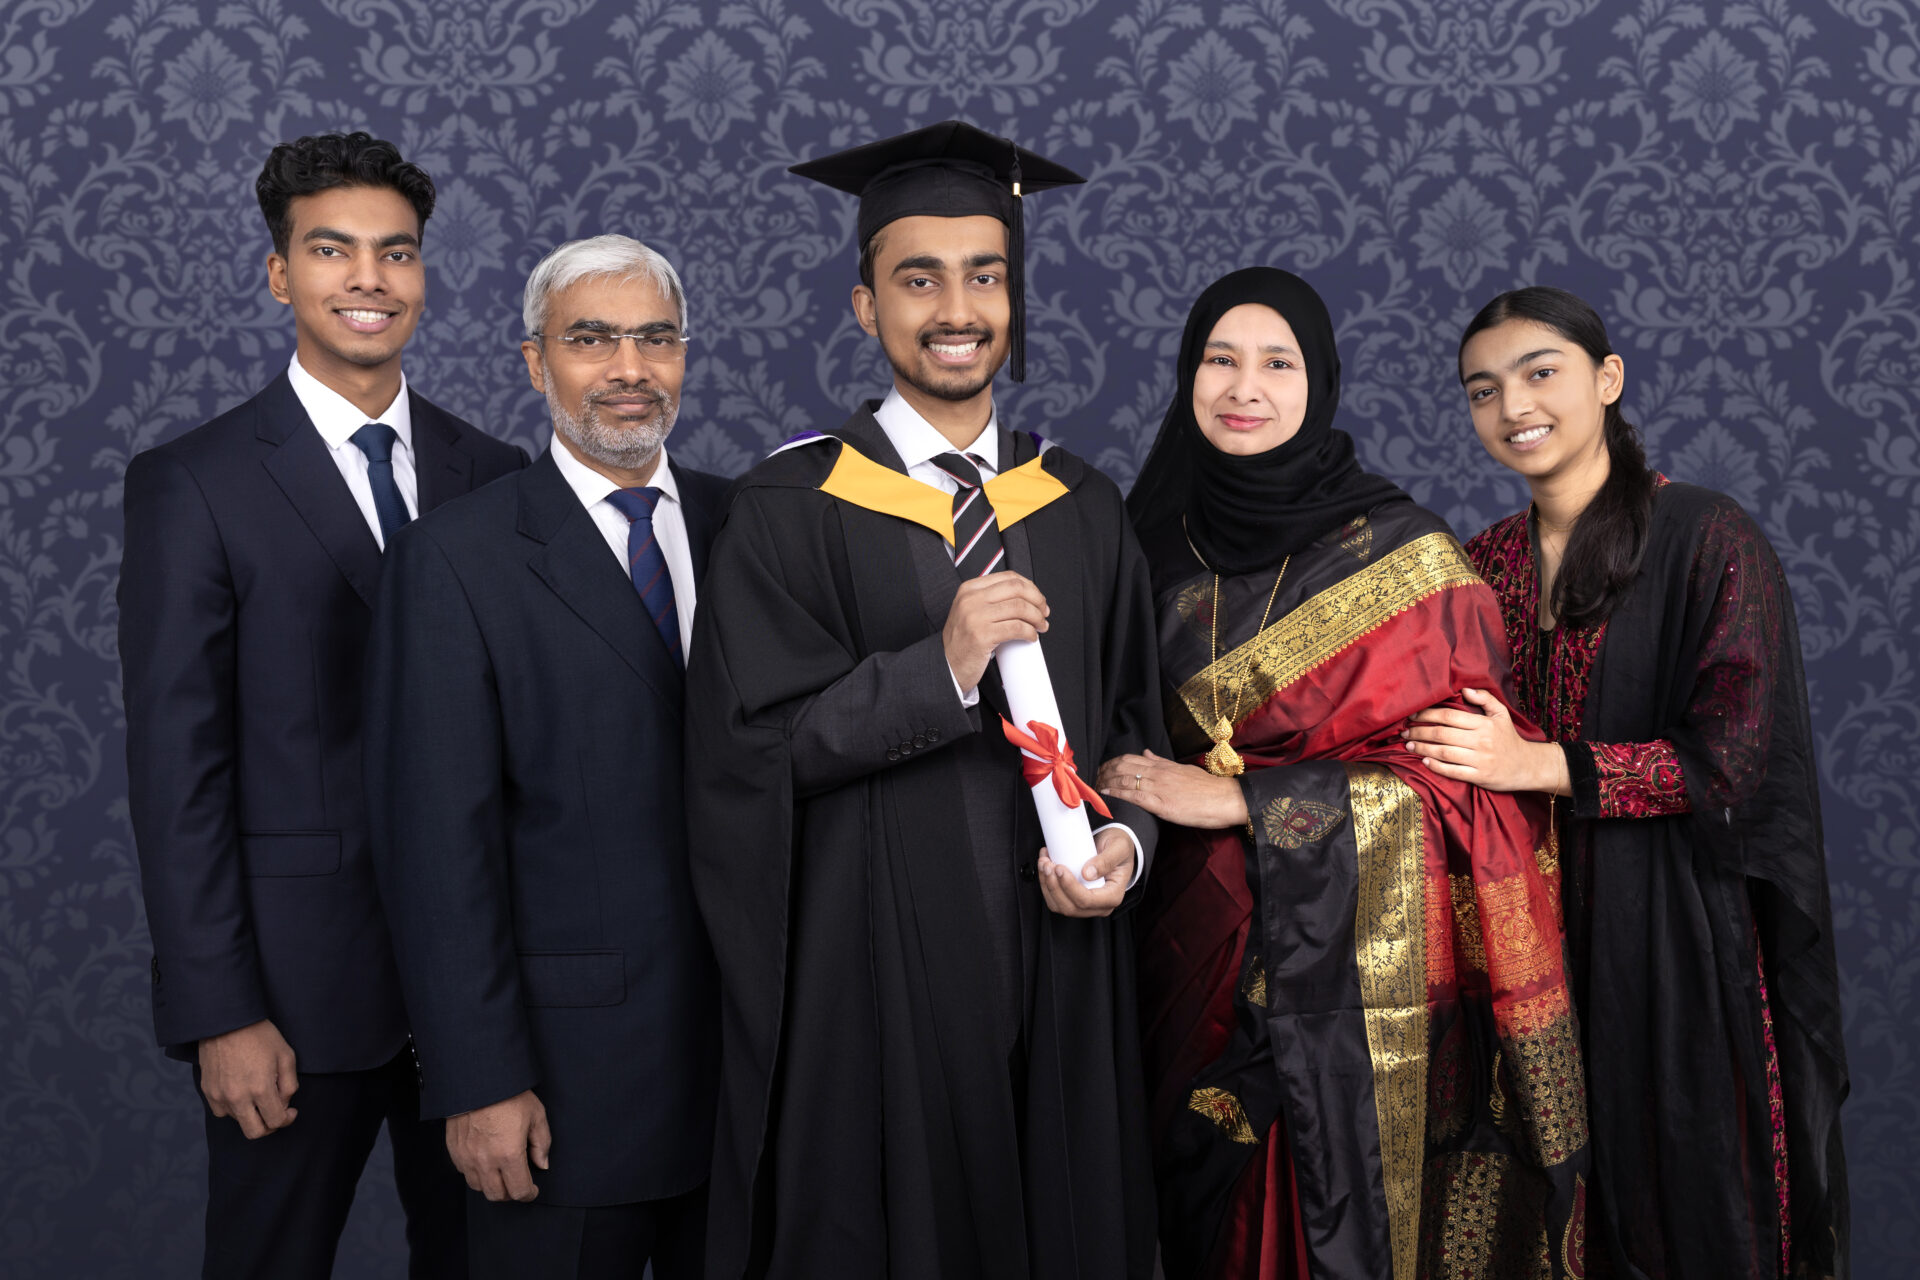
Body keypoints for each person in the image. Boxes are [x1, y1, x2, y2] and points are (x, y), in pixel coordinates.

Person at [684, 121, 1164, 1279]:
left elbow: (1140, 730)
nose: (957, 307)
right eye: (919, 278)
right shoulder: (789, 506)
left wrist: (1125, 845)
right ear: (865, 306)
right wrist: (941, 661)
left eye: (985, 275)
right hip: (878, 989)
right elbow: (751, 752)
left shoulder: (1082, 504)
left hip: (1062, 971)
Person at [1102, 267, 1590, 1278]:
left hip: (1338, 997)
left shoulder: (1408, 560)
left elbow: (1469, 802)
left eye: (1277, 362)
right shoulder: (1138, 543)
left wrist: (1248, 798)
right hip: (1167, 960)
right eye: (1219, 359)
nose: (1246, 386)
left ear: (1316, 380)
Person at [117, 131, 525, 1279]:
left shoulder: (495, 473)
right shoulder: (194, 482)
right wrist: (218, 1008)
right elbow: (175, 765)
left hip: (480, 999)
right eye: (333, 251)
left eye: (396, 254)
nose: (369, 279)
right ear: (279, 273)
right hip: (289, 1000)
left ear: (424, 276)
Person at [1404, 285, 1849, 1279]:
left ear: (1608, 380)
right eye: (1484, 388)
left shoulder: (1704, 538)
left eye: (1540, 372)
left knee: (1686, 1200)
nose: (1513, 403)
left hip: (1674, 941)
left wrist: (1543, 766)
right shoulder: (1484, 565)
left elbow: (1732, 755)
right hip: (1529, 948)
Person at [361, 236, 725, 1280]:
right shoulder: (455, 557)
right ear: (536, 363)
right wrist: (477, 1078)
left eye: (655, 338)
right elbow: (436, 846)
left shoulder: (749, 522)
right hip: (562, 1088)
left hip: (747, 1078)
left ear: (685, 357)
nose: (627, 368)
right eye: (591, 339)